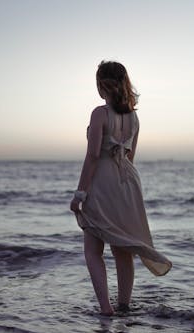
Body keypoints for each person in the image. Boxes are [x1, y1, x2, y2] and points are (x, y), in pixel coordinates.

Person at [70, 61, 172, 316]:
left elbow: (93, 155)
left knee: (93, 249)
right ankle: (124, 306)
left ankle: (106, 307)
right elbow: (130, 157)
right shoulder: (134, 117)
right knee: (123, 248)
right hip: (128, 182)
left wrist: (80, 194)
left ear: (101, 84)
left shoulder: (99, 114)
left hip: (102, 181)